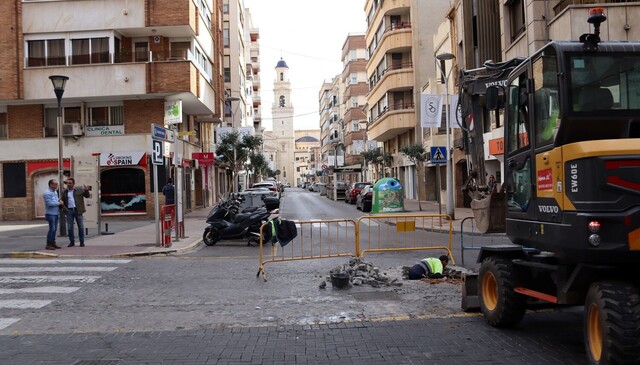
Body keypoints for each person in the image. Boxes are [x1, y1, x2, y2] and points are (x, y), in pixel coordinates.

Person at [62, 178, 91, 247]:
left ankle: (82, 242)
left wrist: (86, 190)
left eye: (70, 183)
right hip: (69, 210)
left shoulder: (79, 189)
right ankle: (72, 241)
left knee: (80, 226)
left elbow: (87, 196)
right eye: (67, 183)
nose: (68, 185)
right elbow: (62, 201)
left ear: (73, 184)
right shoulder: (65, 191)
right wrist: (65, 210)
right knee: (69, 227)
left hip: (78, 210)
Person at [43, 179, 63, 250]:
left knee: (54, 229)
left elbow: (55, 200)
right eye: (55, 184)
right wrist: (58, 203)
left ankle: (53, 243)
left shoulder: (55, 192)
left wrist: (59, 201)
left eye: (57, 184)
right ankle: (48, 244)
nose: (57, 185)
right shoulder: (47, 193)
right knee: (52, 229)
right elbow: (49, 203)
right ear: (51, 184)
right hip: (50, 213)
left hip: (55, 212)